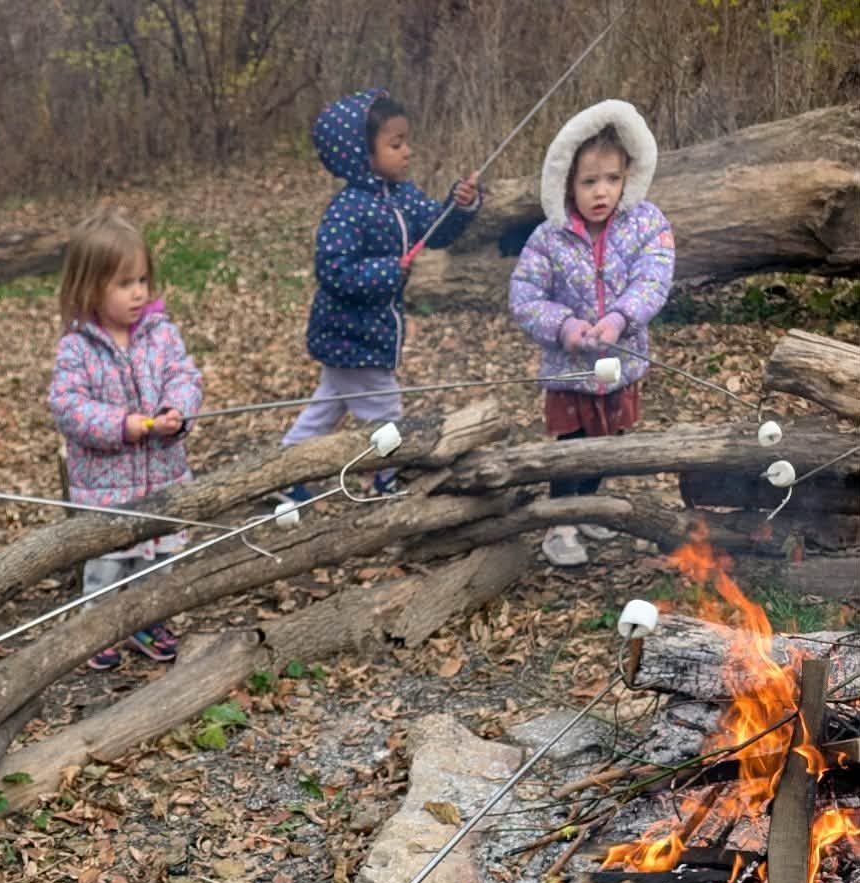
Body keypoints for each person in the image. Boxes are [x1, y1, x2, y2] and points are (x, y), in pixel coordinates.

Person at [283, 90, 480, 493]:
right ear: (362, 154)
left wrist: (460, 205)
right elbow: (334, 271)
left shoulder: (402, 196)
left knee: (327, 406)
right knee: (384, 409)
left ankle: (286, 468)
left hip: (369, 332)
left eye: (406, 141)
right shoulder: (347, 209)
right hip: (352, 333)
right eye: (395, 144)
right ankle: (386, 478)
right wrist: (389, 269)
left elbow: (434, 228)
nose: (407, 151)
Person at [509, 99, 675, 567]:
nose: (601, 192)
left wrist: (620, 318)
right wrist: (566, 327)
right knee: (573, 444)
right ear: (567, 183)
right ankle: (562, 521)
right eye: (589, 182)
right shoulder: (548, 237)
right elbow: (525, 297)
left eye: (612, 179)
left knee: (608, 439)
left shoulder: (647, 224)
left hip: (620, 361)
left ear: (629, 177)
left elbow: (654, 277)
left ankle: (589, 507)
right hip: (569, 368)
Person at [49, 206, 203, 672]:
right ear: (88, 288)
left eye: (141, 280)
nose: (138, 293)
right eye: (123, 284)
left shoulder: (160, 334)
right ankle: (94, 630)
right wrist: (121, 424)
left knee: (160, 561)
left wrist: (176, 410)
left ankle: (147, 620)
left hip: (163, 479)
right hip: (107, 489)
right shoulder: (78, 347)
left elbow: (185, 376)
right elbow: (68, 407)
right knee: (108, 565)